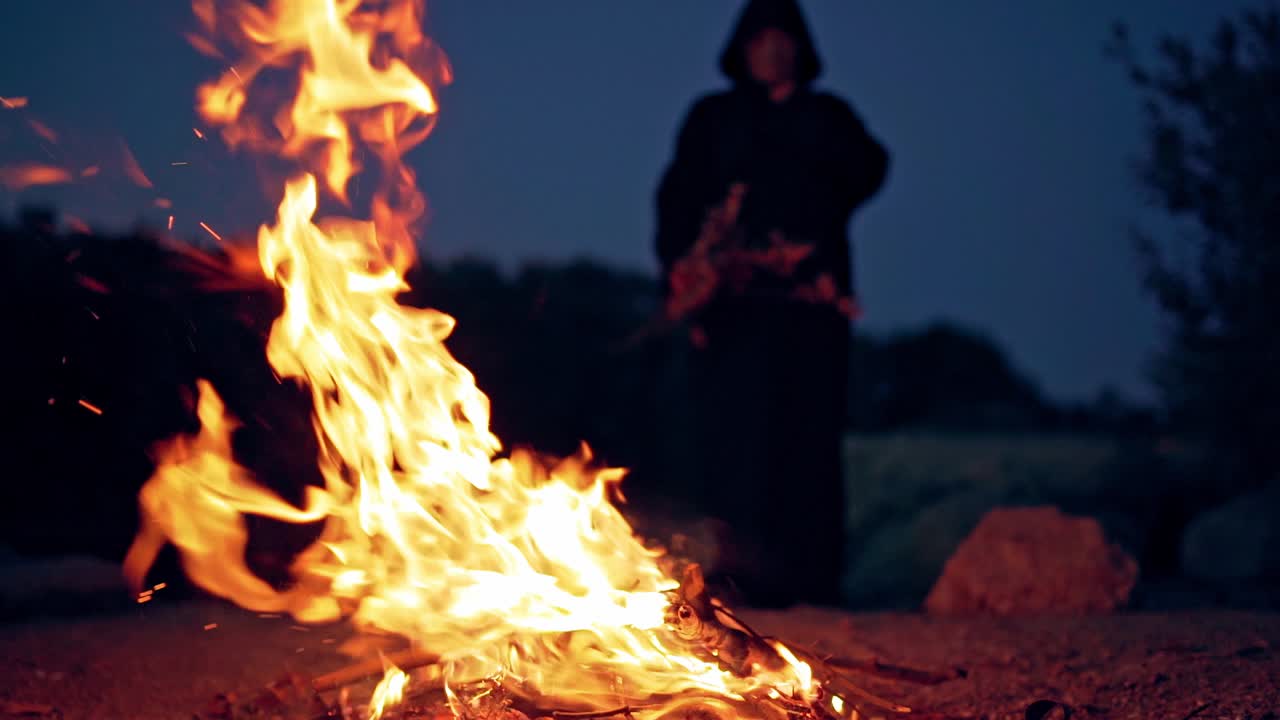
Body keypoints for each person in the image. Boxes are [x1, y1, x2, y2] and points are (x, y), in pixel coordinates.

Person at [653, 0, 889, 608]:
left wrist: (804, 150)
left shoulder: (827, 116)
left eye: (784, 40)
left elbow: (869, 168)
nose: (773, 51)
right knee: (733, 442)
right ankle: (737, 580)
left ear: (802, 50)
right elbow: (677, 199)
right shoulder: (714, 118)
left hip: (808, 310)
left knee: (806, 440)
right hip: (732, 309)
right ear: (743, 49)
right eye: (762, 40)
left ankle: (813, 582)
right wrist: (683, 279)